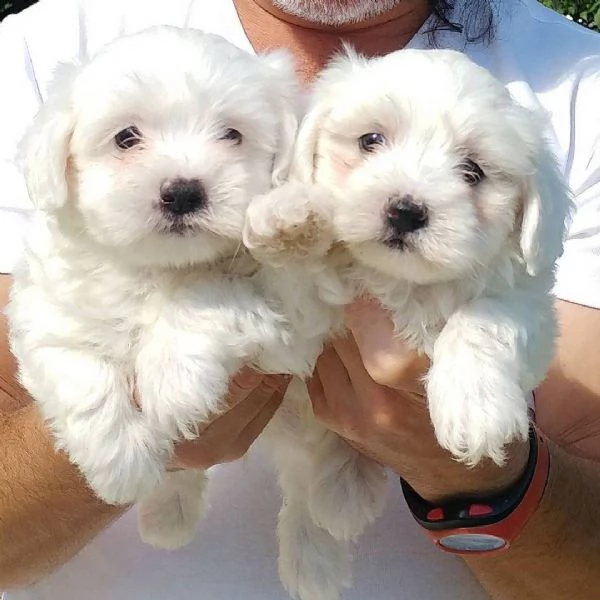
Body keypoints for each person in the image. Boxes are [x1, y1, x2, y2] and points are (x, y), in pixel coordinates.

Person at [0, 0, 599, 598]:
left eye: (470, 173)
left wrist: (479, 478)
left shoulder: (582, 88)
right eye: (128, 139)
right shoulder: (45, 44)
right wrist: (127, 440)